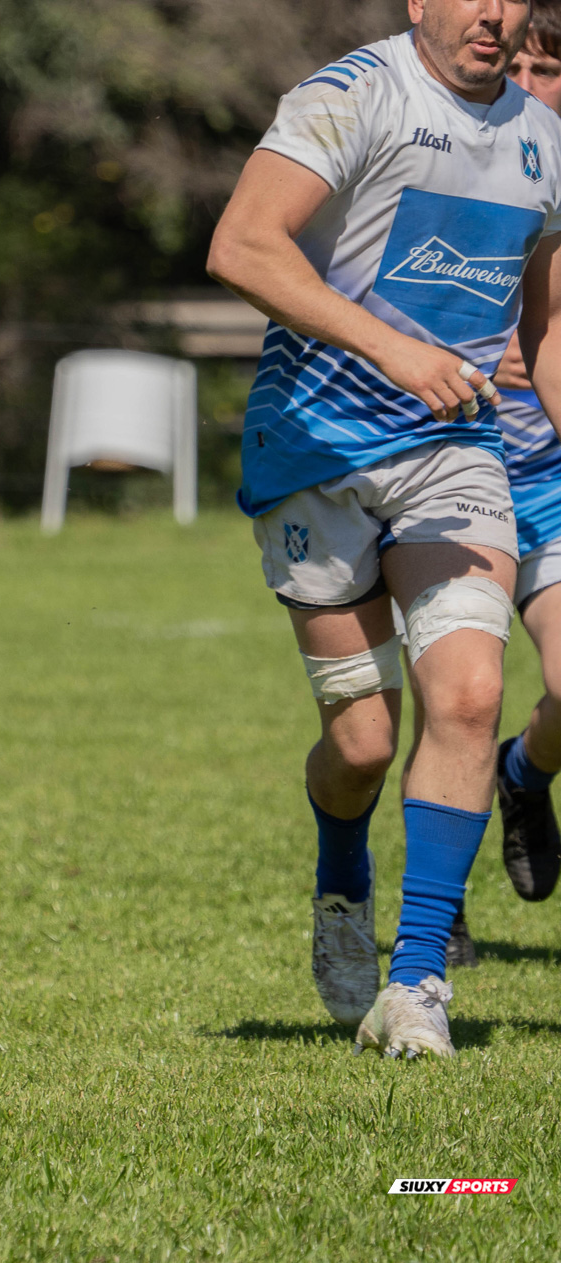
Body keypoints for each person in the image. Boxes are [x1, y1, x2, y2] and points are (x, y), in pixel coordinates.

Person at [208, 0, 561, 1058]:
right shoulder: (353, 95)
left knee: (471, 694)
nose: (494, 12)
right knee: (361, 744)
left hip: (456, 451)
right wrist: (392, 348)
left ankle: (416, 985)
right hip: (315, 451)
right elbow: (241, 246)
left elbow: (547, 326)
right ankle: (340, 879)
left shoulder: (545, 141)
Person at [492, 2, 561, 908]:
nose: (529, 84)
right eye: (518, 66)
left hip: (547, 478)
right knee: (452, 700)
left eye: (547, 70)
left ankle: (523, 771)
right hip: (444, 467)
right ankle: (438, 910)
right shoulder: (443, 154)